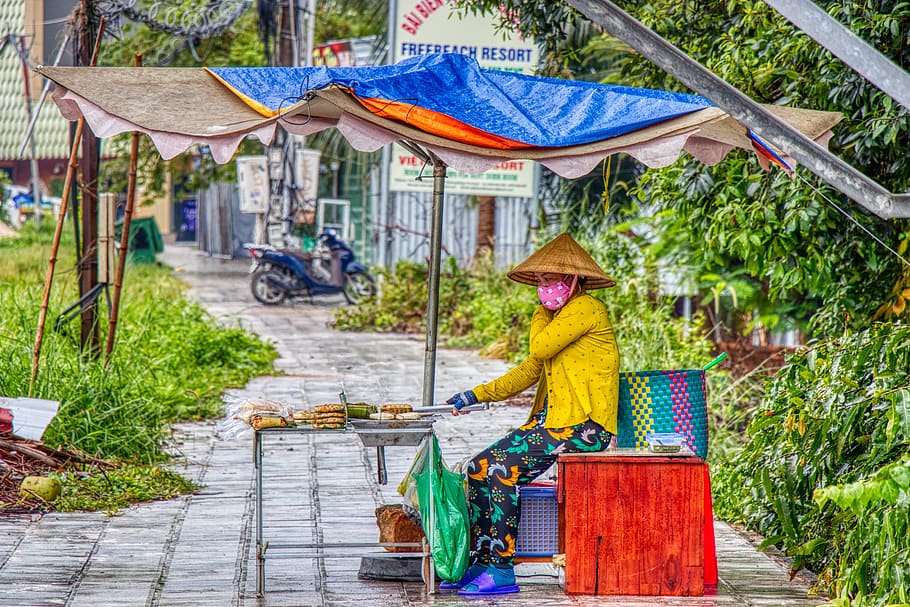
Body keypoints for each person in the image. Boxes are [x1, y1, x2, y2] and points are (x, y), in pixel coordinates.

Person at [442, 232, 621, 596]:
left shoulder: (587, 310)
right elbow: (527, 371)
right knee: (478, 467)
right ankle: (481, 560)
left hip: (585, 426)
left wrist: (541, 313)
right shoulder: (558, 318)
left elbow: (539, 346)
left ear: (574, 280)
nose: (543, 287)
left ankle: (503, 569)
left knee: (501, 470)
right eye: (539, 280)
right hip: (554, 423)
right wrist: (473, 395)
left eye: (551, 279)